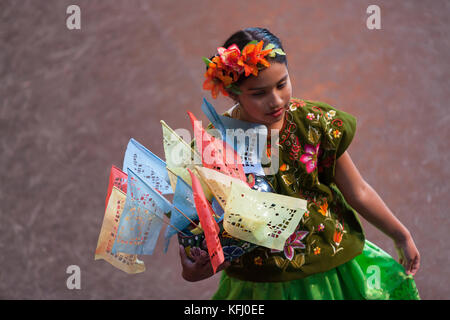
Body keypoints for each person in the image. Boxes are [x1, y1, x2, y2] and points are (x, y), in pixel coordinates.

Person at [178, 27, 421, 300]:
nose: (276, 100)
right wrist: (194, 268)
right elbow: (196, 229)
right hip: (262, 281)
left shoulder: (314, 123)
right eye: (258, 93)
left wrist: (401, 235)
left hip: (332, 262)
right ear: (233, 93)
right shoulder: (214, 146)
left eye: (282, 84)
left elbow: (358, 190)